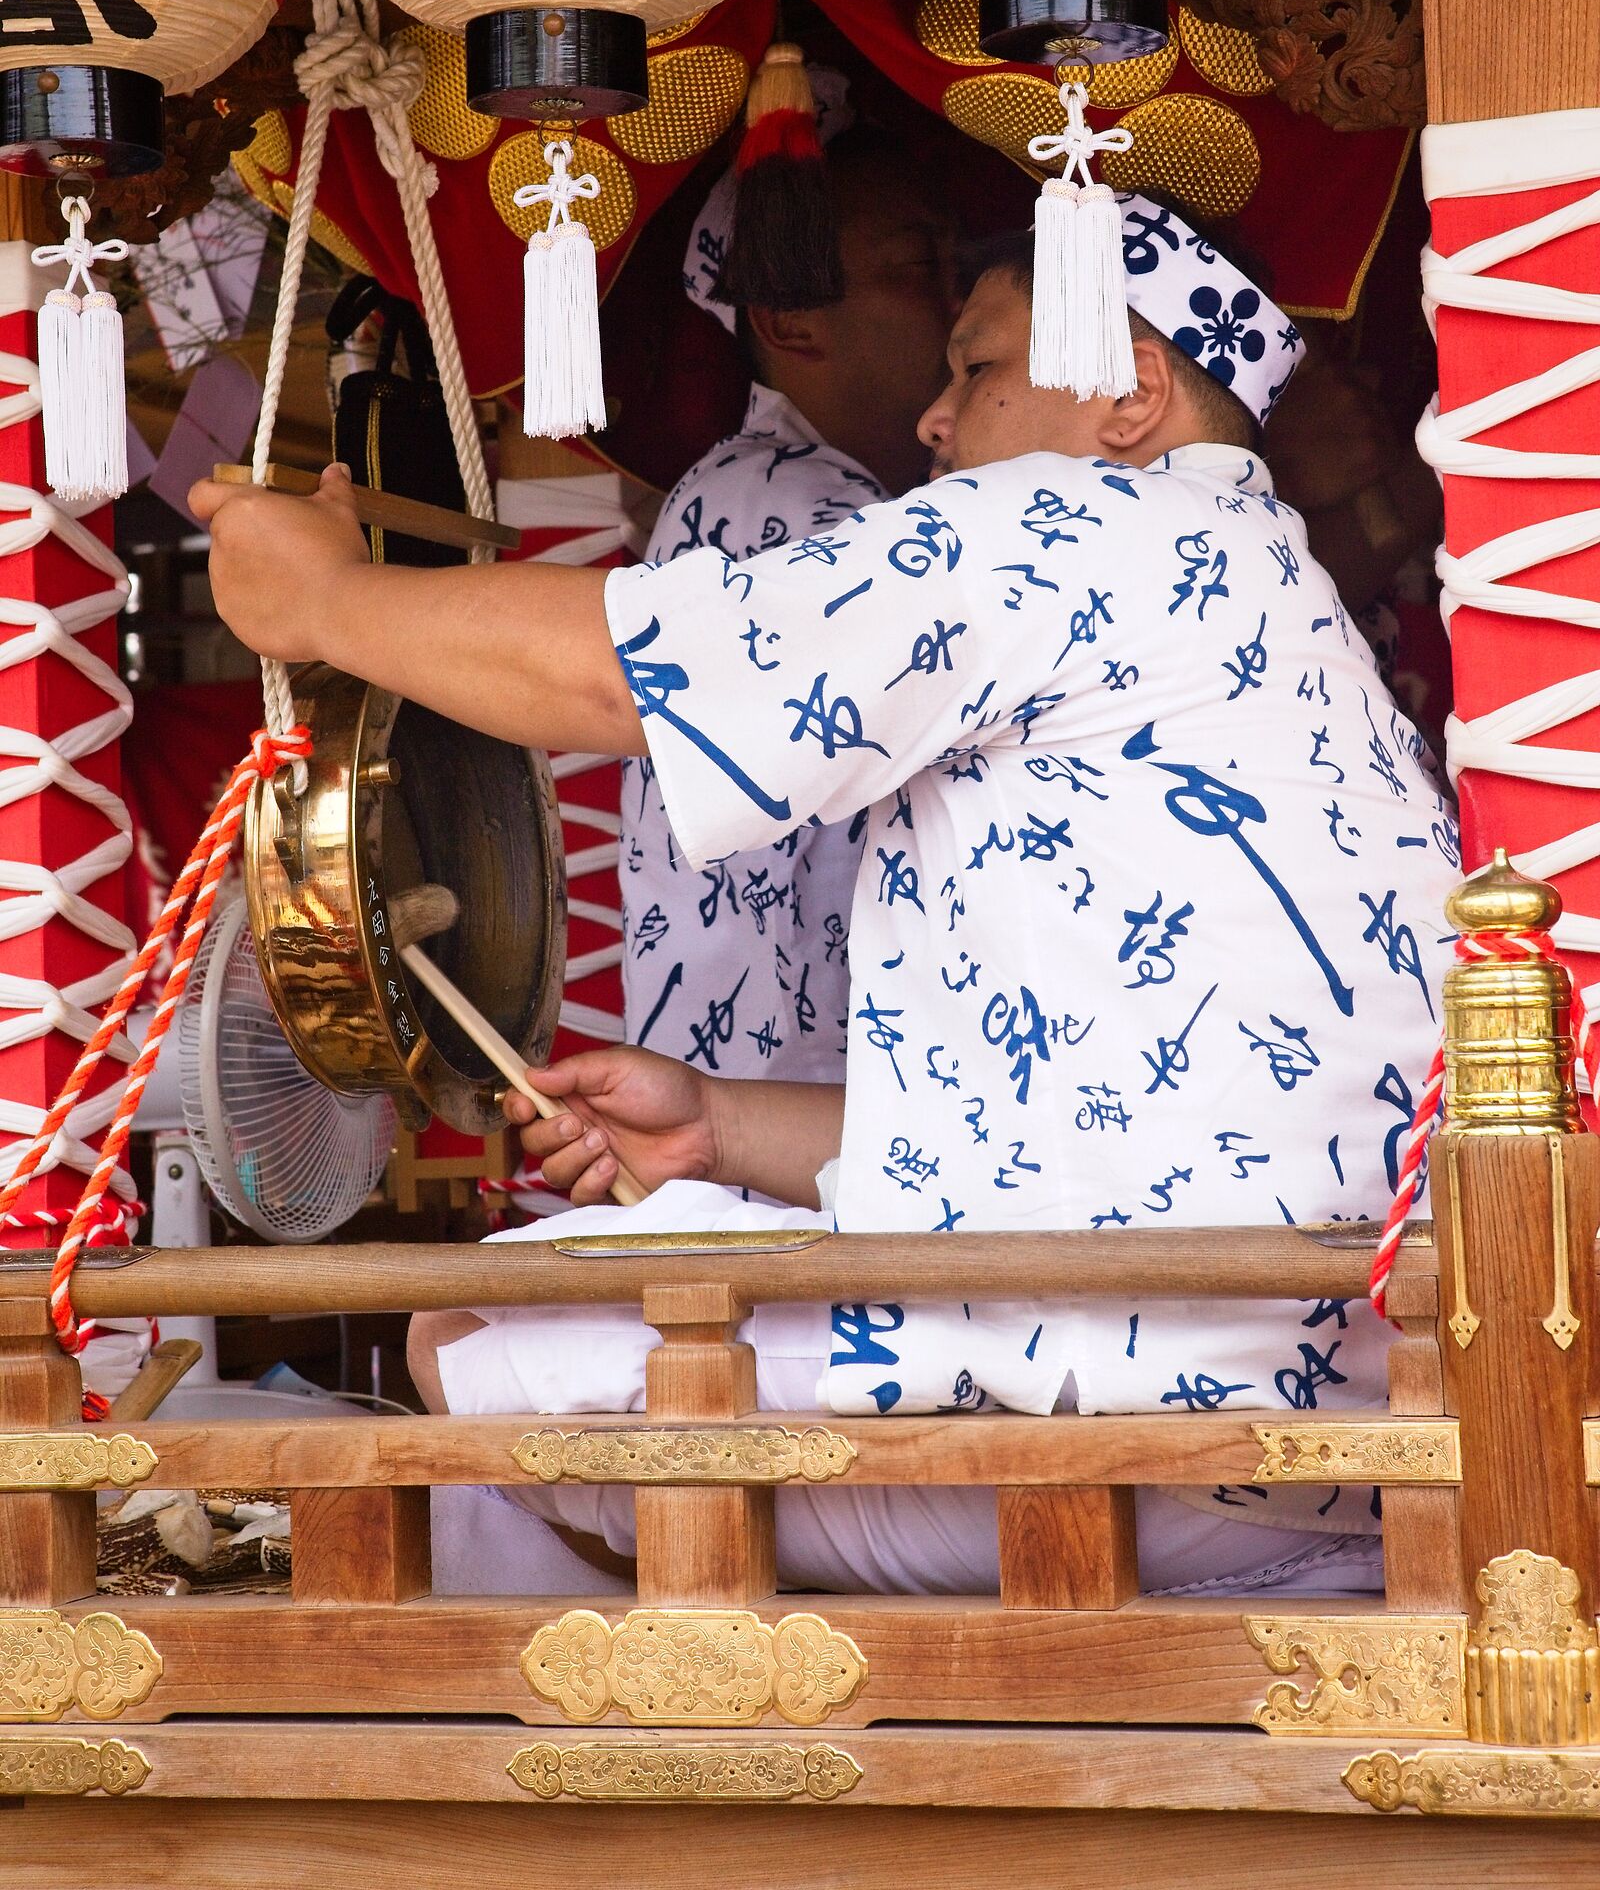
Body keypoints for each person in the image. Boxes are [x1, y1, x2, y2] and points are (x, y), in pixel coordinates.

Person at [194, 193, 1455, 1597]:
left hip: (1131, 1417)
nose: (934, 418)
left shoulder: (1082, 524)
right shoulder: (1281, 607)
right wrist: (723, 1125)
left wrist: (324, 603)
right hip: (1340, 1448)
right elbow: (1077, 1124)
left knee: (480, 1328)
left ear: (1131, 394)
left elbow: (632, 679)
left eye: (978, 368)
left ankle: (632, 1781)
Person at [623, 110, 957, 1083]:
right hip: (789, 1107)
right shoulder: (780, 500)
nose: (959, 301)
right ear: (790, 322)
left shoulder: (842, 493)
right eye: (914, 269)